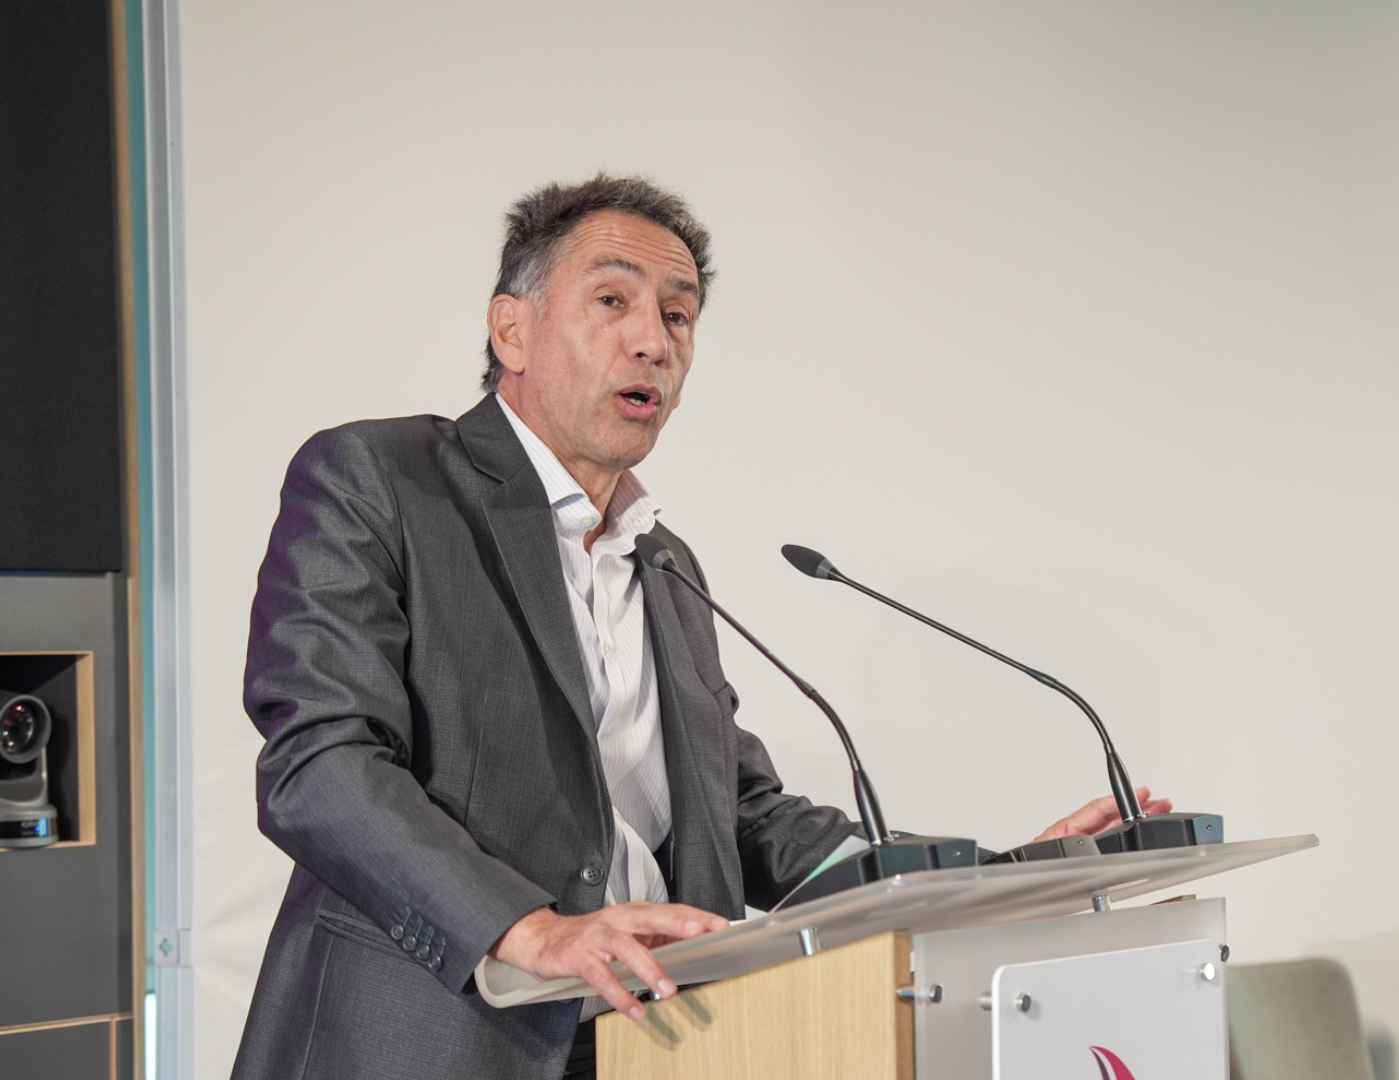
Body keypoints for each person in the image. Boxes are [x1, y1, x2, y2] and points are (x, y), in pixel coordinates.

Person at [229, 174, 1172, 1080]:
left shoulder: (666, 565)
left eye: (678, 315)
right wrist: (531, 929)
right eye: (612, 301)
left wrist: (979, 884)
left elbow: (746, 815)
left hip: (654, 1040)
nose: (654, 342)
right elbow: (320, 762)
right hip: (430, 1041)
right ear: (510, 328)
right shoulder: (380, 480)